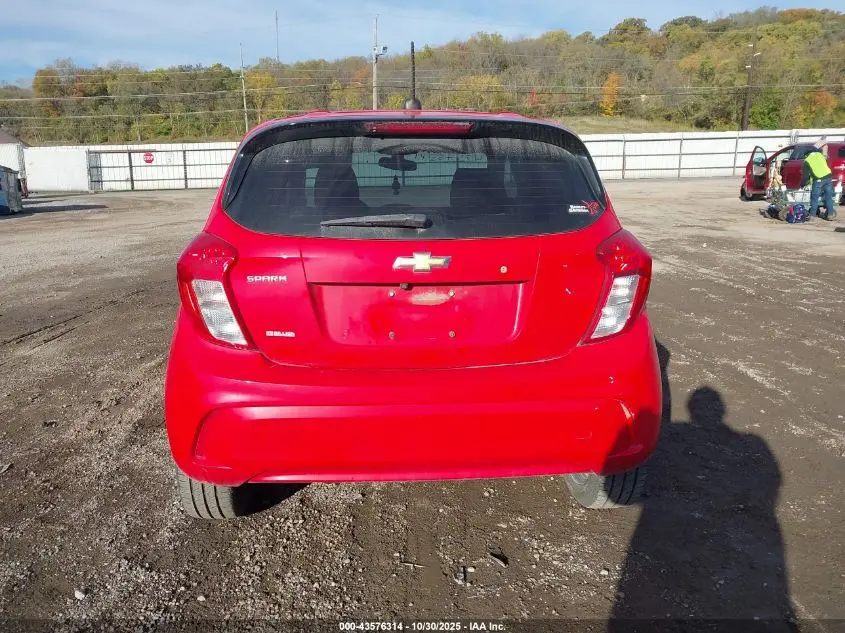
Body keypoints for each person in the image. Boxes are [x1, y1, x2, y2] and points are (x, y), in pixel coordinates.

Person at [803, 141, 836, 220]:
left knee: (814, 197)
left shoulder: (807, 160)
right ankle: (830, 214)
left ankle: (812, 215)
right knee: (828, 196)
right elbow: (825, 163)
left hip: (818, 179)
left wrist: (803, 183)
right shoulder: (820, 155)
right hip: (828, 177)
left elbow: (806, 175)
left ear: (806, 154)